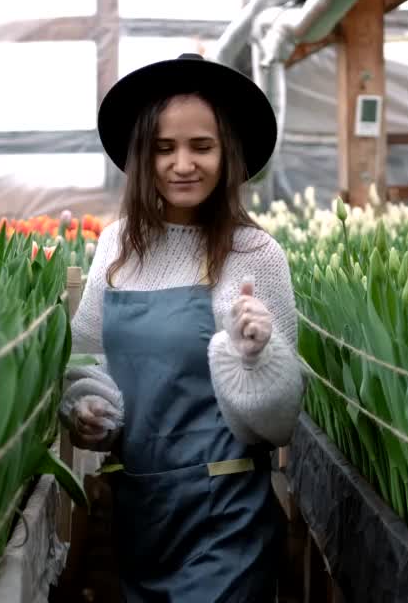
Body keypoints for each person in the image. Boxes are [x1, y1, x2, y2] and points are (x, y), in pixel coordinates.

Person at [59, 52, 307, 602]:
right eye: (164, 148)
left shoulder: (256, 254)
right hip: (142, 508)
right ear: (144, 156)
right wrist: (92, 412)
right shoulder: (118, 246)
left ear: (228, 154)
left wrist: (259, 355)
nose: (182, 164)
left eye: (201, 146)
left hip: (227, 510)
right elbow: (87, 357)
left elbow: (281, 420)